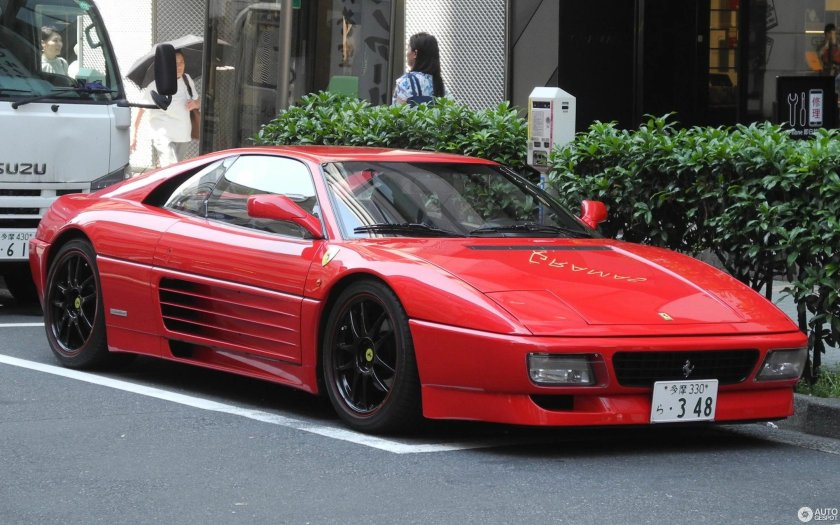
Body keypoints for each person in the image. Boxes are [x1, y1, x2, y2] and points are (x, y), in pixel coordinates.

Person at [131, 51, 200, 167]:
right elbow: (141, 109)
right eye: (175, 63)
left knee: (176, 171)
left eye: (182, 62)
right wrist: (134, 135)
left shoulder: (187, 80)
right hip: (163, 135)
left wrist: (195, 104)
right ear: (168, 65)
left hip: (182, 134)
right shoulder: (156, 85)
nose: (179, 66)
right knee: (171, 167)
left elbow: (199, 102)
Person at [392, 32, 447, 105]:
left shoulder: (406, 82)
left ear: (415, 53)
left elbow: (397, 112)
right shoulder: (439, 84)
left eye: (408, 48)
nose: (406, 53)